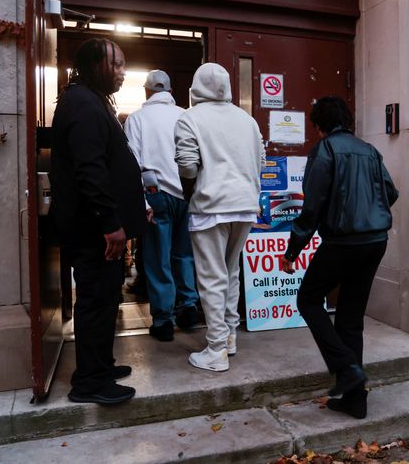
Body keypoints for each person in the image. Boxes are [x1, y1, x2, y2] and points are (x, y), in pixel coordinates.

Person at [280, 96, 398, 420]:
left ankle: (346, 369)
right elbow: (391, 192)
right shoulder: (370, 150)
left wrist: (292, 251)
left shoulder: (325, 150)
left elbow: (312, 205)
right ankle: (355, 399)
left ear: (318, 125)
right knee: (350, 319)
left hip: (343, 242)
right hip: (375, 241)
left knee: (308, 299)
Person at [50, 38, 146, 405]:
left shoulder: (91, 101)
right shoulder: (83, 104)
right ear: (93, 65)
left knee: (106, 299)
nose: (122, 72)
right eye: (116, 64)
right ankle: (90, 382)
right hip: (95, 232)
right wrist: (110, 222)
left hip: (100, 229)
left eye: (123, 65)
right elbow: (90, 170)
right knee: (96, 301)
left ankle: (101, 365)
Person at [174, 62, 265, 372]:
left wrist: (194, 188)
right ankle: (229, 337)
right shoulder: (247, 120)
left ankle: (215, 349)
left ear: (196, 87)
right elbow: (261, 160)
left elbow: (187, 166)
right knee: (230, 272)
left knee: (212, 277)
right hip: (245, 205)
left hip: (210, 206)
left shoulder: (190, 118)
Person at [125, 70, 200, 341]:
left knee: (158, 258)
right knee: (184, 254)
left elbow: (132, 163)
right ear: (170, 91)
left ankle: (163, 320)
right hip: (187, 194)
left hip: (156, 194)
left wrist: (142, 201)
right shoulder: (186, 116)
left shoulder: (137, 119)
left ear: (147, 92)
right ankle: (189, 305)